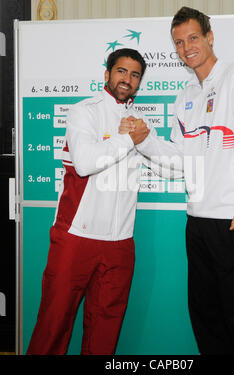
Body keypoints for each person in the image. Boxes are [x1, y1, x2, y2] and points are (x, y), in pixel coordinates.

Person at [122, 7, 234, 355]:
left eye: (192, 38)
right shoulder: (186, 97)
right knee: (205, 315)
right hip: (198, 220)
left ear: (209, 37)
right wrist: (144, 140)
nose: (186, 47)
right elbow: (181, 162)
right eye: (179, 42)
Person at [26, 48, 149, 355]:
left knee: (105, 333)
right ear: (107, 74)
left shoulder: (140, 120)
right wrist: (127, 139)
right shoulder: (85, 111)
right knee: (53, 326)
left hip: (120, 241)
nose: (127, 79)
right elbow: (84, 163)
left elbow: (163, 160)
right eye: (121, 71)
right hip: (76, 236)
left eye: (135, 75)